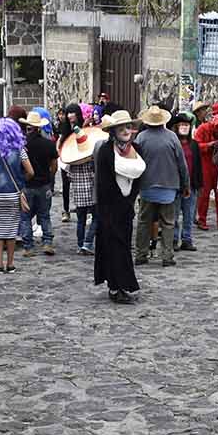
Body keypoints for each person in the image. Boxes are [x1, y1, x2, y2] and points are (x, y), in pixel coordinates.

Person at [92, 111, 144, 304]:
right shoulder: (106, 150)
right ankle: (116, 287)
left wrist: (130, 199)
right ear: (113, 131)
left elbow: (139, 177)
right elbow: (104, 181)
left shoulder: (137, 148)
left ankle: (122, 284)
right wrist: (116, 203)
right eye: (121, 128)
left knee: (123, 246)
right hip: (109, 207)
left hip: (126, 208)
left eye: (128, 127)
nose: (125, 131)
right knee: (113, 246)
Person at [132, 106, 188, 268]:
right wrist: (186, 184)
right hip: (169, 187)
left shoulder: (141, 138)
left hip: (146, 186)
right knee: (168, 223)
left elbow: (135, 162)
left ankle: (141, 254)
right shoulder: (172, 138)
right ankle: (167, 256)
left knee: (144, 221)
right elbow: (181, 164)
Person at [0, 118, 33, 274]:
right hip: (13, 194)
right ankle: (10, 264)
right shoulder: (19, 150)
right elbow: (31, 172)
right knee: (11, 230)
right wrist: (21, 182)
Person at [20, 113, 58, 257]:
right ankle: (47, 242)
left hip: (27, 184)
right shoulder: (48, 144)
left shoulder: (22, 145)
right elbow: (54, 165)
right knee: (45, 215)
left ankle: (28, 246)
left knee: (25, 217)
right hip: (44, 184)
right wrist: (50, 177)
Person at [59, 126, 99, 255]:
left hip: (78, 195)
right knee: (96, 218)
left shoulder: (72, 163)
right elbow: (94, 176)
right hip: (91, 194)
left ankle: (80, 244)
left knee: (80, 221)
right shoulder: (91, 162)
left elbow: (69, 176)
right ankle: (88, 243)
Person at [192, 103, 218, 232]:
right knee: (204, 194)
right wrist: (209, 145)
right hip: (205, 164)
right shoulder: (202, 129)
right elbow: (196, 146)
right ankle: (202, 220)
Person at [170, 112, 202, 253]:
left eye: (187, 125)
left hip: (191, 184)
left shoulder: (194, 144)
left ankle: (187, 239)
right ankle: (174, 239)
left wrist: (199, 184)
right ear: (177, 127)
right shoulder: (172, 142)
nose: (184, 127)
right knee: (175, 215)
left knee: (189, 215)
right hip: (176, 184)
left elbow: (198, 165)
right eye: (182, 125)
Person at [56, 104, 86, 223]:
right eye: (68, 113)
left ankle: (83, 209)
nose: (69, 115)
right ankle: (66, 210)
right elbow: (61, 142)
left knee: (82, 186)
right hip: (67, 160)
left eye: (72, 112)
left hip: (80, 160)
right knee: (66, 186)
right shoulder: (65, 127)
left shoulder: (83, 126)